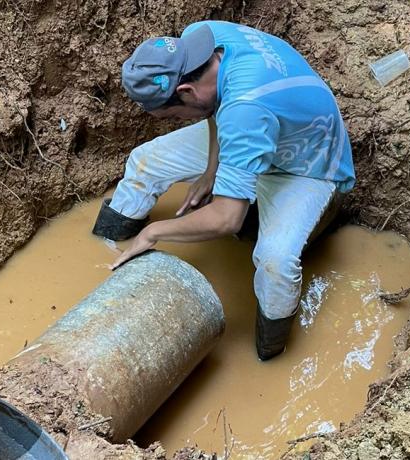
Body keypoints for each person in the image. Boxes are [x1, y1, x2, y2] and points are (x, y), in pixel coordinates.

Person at [92, 20, 355, 360]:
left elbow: (227, 218)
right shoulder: (200, 39)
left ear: (186, 92)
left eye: (173, 116)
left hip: (307, 164)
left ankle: (270, 351)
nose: (177, 121)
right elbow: (215, 107)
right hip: (265, 125)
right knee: (147, 161)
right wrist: (212, 168)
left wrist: (156, 232)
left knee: (275, 260)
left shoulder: (245, 110)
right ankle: (105, 241)